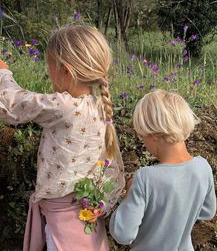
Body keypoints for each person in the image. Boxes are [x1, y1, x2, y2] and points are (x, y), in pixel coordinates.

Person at [0, 24, 125, 251]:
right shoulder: (100, 108)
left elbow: (13, 104)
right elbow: (110, 167)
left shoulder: (64, 106)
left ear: (65, 70)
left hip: (62, 225)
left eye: (49, 65)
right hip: (87, 218)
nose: (48, 73)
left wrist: (3, 73)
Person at [109, 90, 217, 251]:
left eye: (142, 136)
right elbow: (207, 212)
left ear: (153, 135)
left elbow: (123, 233)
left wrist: (129, 193)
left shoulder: (145, 178)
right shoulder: (203, 167)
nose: (143, 142)